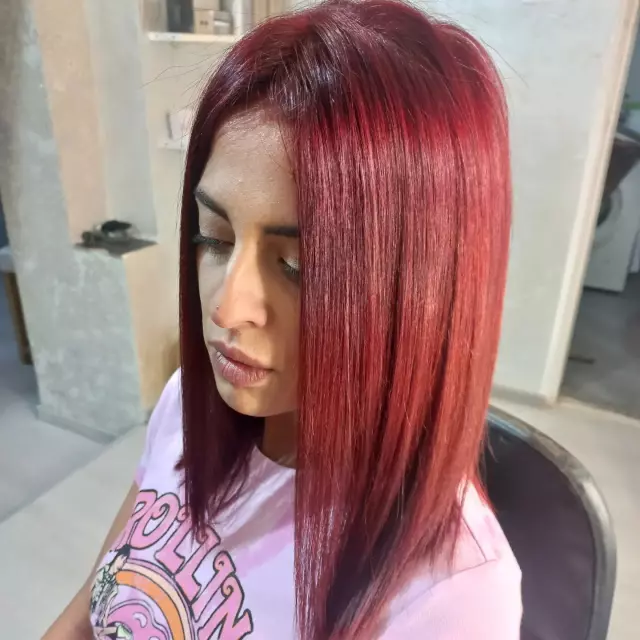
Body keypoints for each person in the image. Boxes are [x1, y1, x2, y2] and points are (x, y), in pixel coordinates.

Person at [44, 1, 521, 638]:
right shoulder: (187, 405)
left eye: (299, 265)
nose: (226, 307)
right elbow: (94, 602)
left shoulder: (452, 593)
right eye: (214, 239)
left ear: (421, 290)